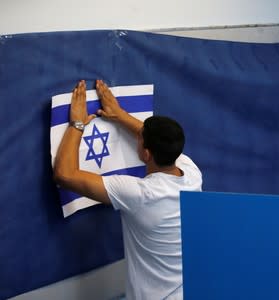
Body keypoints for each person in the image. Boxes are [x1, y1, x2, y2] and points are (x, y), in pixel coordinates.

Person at [53, 80, 202, 300]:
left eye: (141, 138)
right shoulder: (191, 173)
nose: (138, 136)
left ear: (147, 154)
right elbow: (153, 138)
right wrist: (120, 115)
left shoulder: (140, 194)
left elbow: (65, 175)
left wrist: (77, 123)